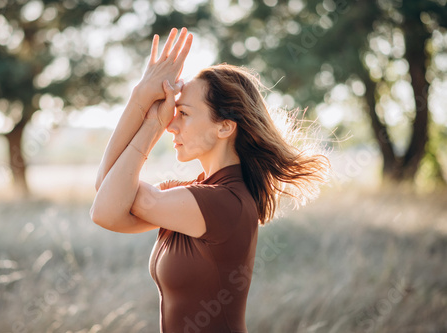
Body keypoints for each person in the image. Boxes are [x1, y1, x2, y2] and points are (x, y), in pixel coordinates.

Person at [90, 27, 330, 333]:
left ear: (225, 127)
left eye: (184, 114)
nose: (171, 124)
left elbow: (105, 208)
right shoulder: (192, 197)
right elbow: (107, 192)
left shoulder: (222, 203)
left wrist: (151, 122)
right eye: (173, 113)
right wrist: (139, 99)